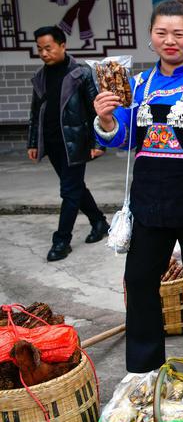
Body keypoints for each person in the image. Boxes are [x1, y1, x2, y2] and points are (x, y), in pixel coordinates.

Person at [93, 0, 183, 373]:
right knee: (139, 280)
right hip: (149, 197)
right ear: (151, 38)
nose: (169, 40)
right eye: (161, 33)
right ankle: (143, 367)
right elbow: (123, 137)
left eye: (179, 33)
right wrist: (107, 118)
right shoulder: (136, 84)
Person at [27, 26, 109, 261]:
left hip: (76, 142)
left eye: (48, 48)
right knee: (75, 188)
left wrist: (99, 142)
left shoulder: (80, 73)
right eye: (40, 49)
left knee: (69, 191)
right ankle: (99, 223)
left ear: (63, 45)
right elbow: (35, 113)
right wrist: (33, 142)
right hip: (52, 143)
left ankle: (61, 241)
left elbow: (96, 109)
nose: (44, 53)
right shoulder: (41, 77)